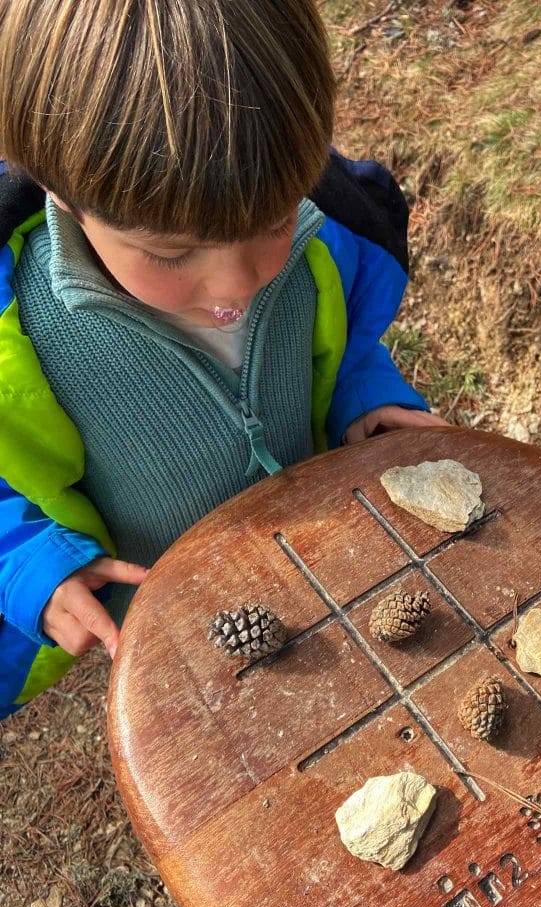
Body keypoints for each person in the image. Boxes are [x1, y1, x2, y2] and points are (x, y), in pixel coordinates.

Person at [0, 0, 445, 720]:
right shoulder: (13, 338)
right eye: (173, 254)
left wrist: (365, 393)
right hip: (165, 607)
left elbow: (341, 346)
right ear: (61, 191)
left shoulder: (325, 241)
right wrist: (28, 567)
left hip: (319, 555)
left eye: (273, 224)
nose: (236, 285)